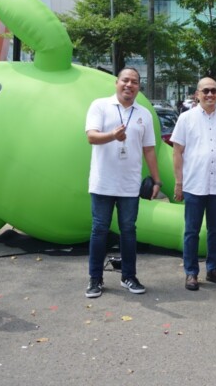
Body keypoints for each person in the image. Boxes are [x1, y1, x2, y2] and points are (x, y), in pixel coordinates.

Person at [84, 67, 162, 298]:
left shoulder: (144, 113)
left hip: (129, 184)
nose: (129, 85)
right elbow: (91, 136)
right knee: (99, 229)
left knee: (128, 231)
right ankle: (95, 279)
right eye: (125, 80)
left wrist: (157, 180)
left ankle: (128, 276)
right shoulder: (100, 106)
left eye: (135, 82)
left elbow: (149, 149)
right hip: (103, 182)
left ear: (139, 86)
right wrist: (112, 136)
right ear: (117, 82)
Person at [171, 77, 216, 291]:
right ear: (197, 94)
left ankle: (213, 269)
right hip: (194, 183)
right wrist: (178, 183)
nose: (210, 95)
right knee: (191, 231)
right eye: (205, 91)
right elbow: (177, 152)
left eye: (214, 91)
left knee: (215, 231)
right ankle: (191, 272)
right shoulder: (186, 118)